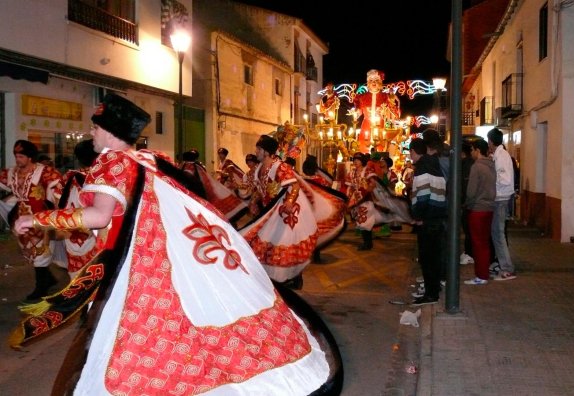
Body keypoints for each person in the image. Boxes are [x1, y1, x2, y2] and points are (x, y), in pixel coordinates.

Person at [12, 93, 335, 395]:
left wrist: (38, 220)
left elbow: (98, 216)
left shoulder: (112, 162)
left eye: (95, 127)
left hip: (138, 264)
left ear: (109, 131)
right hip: (162, 254)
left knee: (131, 332)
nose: (91, 132)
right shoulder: (148, 158)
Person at [239, 135, 318, 289]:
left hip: (283, 213)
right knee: (267, 245)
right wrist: (254, 201)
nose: (256, 151)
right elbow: (256, 190)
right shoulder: (257, 170)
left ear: (267, 152)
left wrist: (289, 202)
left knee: (284, 245)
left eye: (259, 149)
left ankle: (292, 278)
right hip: (268, 212)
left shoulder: (279, 167)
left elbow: (294, 187)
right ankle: (275, 279)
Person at [0, 140, 63, 301]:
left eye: (21, 156)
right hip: (20, 218)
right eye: (16, 156)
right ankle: (48, 279)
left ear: (30, 157)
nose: (18, 159)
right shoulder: (11, 173)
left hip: (38, 218)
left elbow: (58, 185)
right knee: (30, 251)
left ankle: (41, 286)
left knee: (40, 250)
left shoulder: (43, 171)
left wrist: (54, 207)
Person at [408, 138, 447, 306]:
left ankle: (431, 295)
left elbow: (422, 196)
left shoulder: (422, 169)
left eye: (410, 153)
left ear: (414, 152)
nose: (410, 157)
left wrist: (418, 217)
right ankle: (433, 288)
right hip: (438, 216)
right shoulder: (435, 166)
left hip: (427, 220)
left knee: (427, 258)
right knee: (434, 257)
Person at [57, 139, 99, 279]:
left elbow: (58, 202)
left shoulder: (67, 178)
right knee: (96, 271)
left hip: (72, 231)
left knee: (76, 275)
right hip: (96, 231)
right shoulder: (101, 178)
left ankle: (76, 297)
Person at [179, 148, 247, 223]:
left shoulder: (195, 166)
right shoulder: (190, 165)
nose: (220, 156)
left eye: (222, 154)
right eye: (219, 154)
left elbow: (230, 173)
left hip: (225, 183)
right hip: (201, 189)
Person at [463, 138, 496, 285]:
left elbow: (471, 192)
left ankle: (481, 276)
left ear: (477, 150)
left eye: (472, 150)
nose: (471, 153)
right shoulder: (492, 165)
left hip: (477, 209)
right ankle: (484, 273)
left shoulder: (476, 167)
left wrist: (467, 204)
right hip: (489, 208)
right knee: (485, 243)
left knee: (478, 244)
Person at [487, 127, 516, 280]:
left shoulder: (501, 156)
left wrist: (493, 181)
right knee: (496, 233)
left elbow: (505, 179)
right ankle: (503, 265)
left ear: (491, 141)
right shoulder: (500, 155)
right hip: (500, 198)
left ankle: (507, 268)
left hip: (501, 199)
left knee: (498, 233)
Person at [350, 69, 400, 153]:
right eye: (371, 80)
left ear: (380, 82)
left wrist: (391, 106)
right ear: (368, 82)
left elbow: (394, 112)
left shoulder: (386, 97)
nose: (373, 82)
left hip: (381, 125)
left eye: (376, 80)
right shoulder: (361, 97)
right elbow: (358, 111)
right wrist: (355, 113)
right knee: (364, 146)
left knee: (381, 146)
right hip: (366, 125)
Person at [460, 142, 475, 265]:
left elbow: (465, 185)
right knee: (469, 230)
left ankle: (469, 253)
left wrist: (463, 201)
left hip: (468, 203)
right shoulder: (471, 163)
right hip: (470, 202)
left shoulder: (466, 165)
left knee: (468, 230)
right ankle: (469, 252)